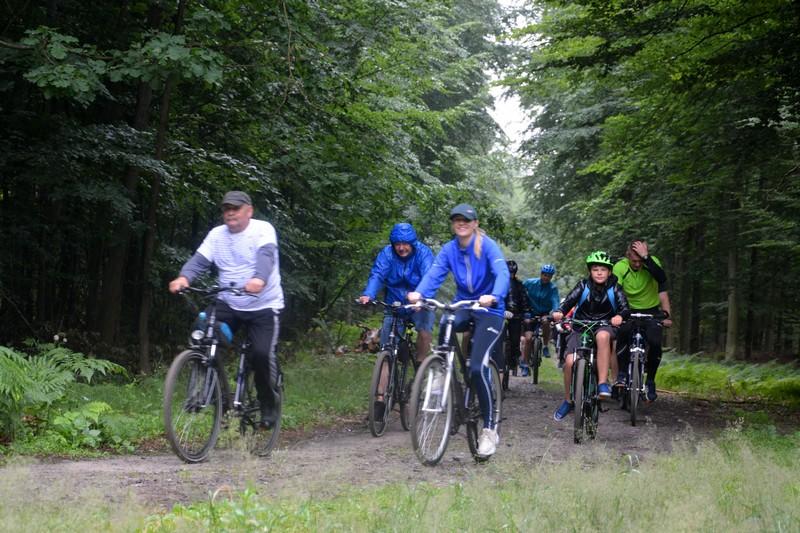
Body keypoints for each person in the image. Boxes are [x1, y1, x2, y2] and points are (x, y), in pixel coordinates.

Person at [169, 191, 284, 428]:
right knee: (203, 333)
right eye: (226, 209)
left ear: (249, 211)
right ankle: (212, 395)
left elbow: (266, 256)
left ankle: (268, 404)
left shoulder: (262, 230)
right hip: (229, 302)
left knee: (261, 354)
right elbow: (200, 261)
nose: (230, 213)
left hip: (263, 305)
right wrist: (184, 277)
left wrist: (259, 278)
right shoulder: (217, 235)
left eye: (236, 208)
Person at [408, 203, 509, 458]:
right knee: (446, 321)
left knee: (477, 368)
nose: (461, 223)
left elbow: (502, 273)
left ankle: (489, 430)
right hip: (464, 304)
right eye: (456, 220)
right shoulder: (449, 249)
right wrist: (420, 294)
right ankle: (441, 371)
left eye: (466, 220)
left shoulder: (487, 246)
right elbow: (434, 274)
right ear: (453, 224)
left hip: (489, 309)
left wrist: (494, 296)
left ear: (475, 224)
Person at [358, 222, 435, 419]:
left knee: (424, 330)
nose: (401, 248)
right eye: (397, 244)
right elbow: (377, 274)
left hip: (419, 302)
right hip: (394, 304)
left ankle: (420, 366)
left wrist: (422, 297)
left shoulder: (423, 253)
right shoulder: (387, 254)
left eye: (405, 244)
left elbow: (429, 277)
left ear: (412, 243)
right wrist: (368, 294)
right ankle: (380, 401)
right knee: (386, 350)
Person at [552, 251, 629, 421]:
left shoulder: (615, 287)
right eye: (595, 269)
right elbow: (569, 301)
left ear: (609, 272)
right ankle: (568, 400)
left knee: (602, 337)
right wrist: (559, 311)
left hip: (605, 325)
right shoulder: (583, 285)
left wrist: (620, 316)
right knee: (570, 362)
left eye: (603, 269)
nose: (599, 273)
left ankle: (602, 383)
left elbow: (625, 307)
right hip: (581, 327)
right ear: (590, 271)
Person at [613, 240, 673, 401]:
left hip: (651, 311)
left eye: (641, 260)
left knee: (655, 342)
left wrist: (647, 258)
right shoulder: (620, 267)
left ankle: (651, 380)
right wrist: (616, 314)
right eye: (634, 261)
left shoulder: (651, 263)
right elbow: (615, 290)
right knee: (622, 335)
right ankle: (622, 374)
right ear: (627, 256)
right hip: (628, 310)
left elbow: (662, 280)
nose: (638, 264)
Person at [521, 264, 560, 371]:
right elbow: (520, 291)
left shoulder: (552, 288)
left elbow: (555, 301)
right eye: (544, 275)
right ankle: (525, 364)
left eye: (549, 276)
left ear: (551, 277)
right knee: (528, 338)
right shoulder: (530, 283)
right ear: (541, 274)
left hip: (544, 313)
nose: (546, 277)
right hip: (530, 312)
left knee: (546, 322)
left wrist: (556, 312)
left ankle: (545, 346)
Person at [502, 260, 529, 387]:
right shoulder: (499, 282)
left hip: (516, 315)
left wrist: (526, 313)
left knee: (515, 339)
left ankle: (514, 358)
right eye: (509, 272)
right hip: (500, 313)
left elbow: (524, 300)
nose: (511, 275)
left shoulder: (519, 285)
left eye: (512, 273)